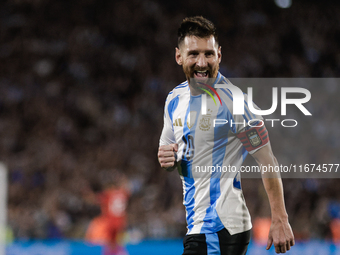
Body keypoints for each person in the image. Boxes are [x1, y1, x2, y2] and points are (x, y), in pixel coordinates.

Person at [157, 16, 294, 255]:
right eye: (193, 54)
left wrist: (280, 218)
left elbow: (267, 160)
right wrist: (168, 160)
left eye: (209, 54)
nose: (202, 62)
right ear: (179, 56)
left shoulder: (233, 102)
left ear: (219, 55)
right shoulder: (174, 100)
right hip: (197, 224)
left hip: (221, 225)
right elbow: (172, 154)